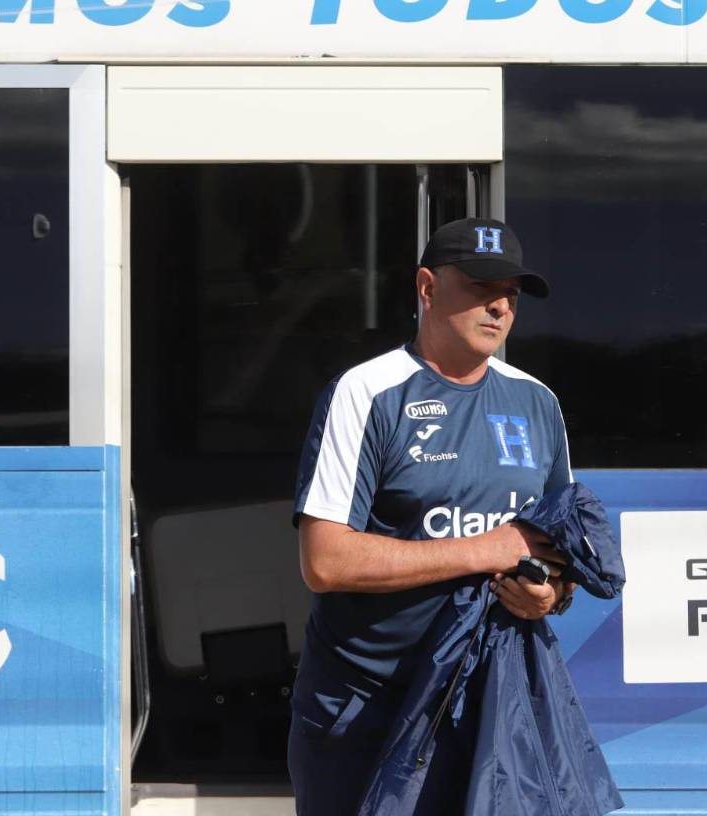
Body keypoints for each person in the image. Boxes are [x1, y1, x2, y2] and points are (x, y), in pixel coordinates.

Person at [288, 217, 575, 815]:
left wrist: (551, 595)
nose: (498, 306)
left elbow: (562, 551)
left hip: (488, 708)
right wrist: (483, 550)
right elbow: (324, 560)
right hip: (366, 708)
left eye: (512, 295)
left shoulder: (537, 402)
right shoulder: (365, 392)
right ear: (426, 288)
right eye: (480, 286)